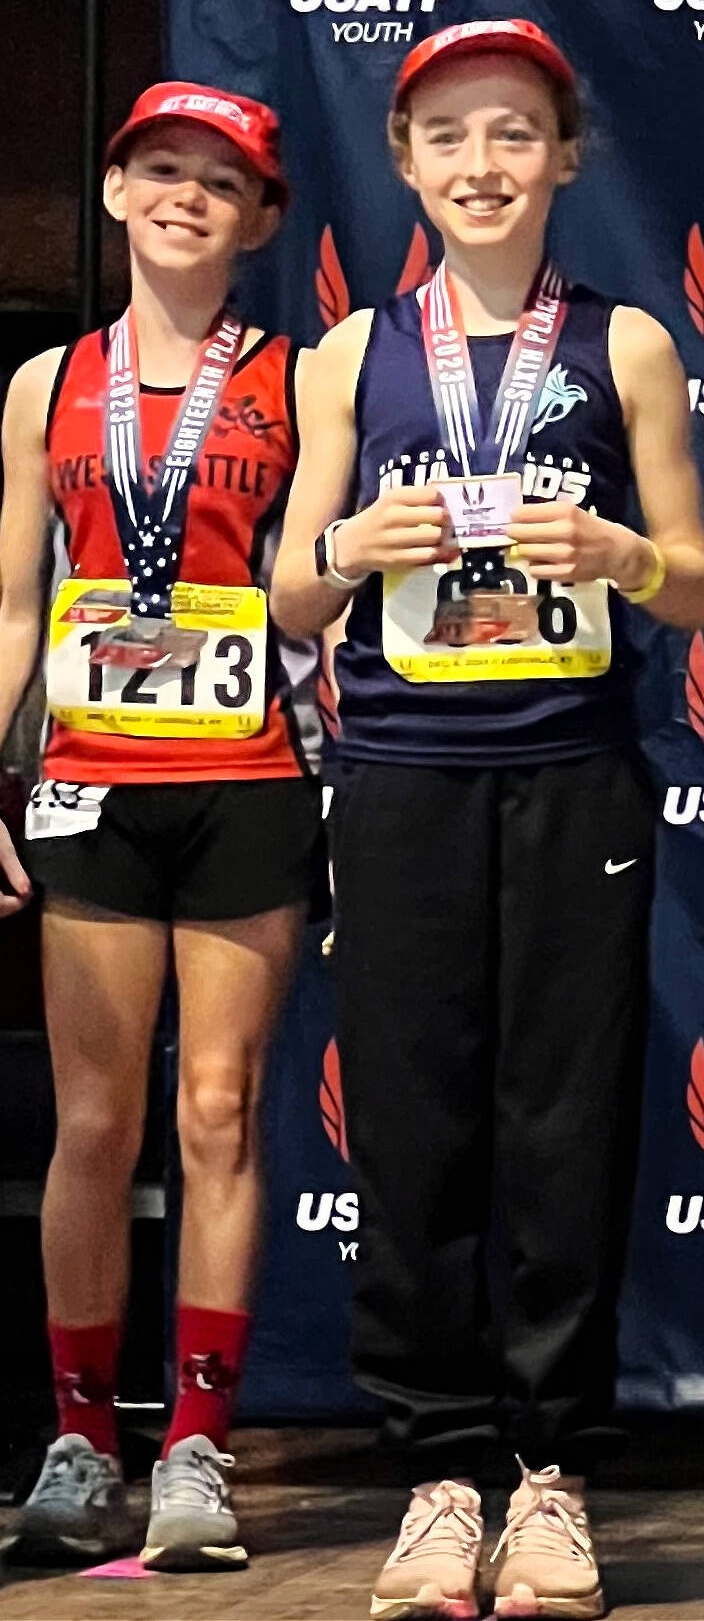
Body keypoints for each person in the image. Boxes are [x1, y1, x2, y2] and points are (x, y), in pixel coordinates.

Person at [272, 17, 704, 1619]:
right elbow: (286, 589)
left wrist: (616, 561)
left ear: (564, 156)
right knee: (410, 1125)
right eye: (447, 136)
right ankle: (440, 1474)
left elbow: (701, 580)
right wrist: (346, 543)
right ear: (402, 162)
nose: (480, 164)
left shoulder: (630, 347)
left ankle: (548, 1478)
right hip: (397, 781)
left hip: (571, 771)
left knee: (563, 1119)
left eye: (512, 134)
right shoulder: (345, 353)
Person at [0, 82, 322, 1570]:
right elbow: (13, 602)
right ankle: (81, 1436)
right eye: (160, 169)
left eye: (220, 179)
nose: (187, 195)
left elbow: (315, 595)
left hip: (248, 777)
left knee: (219, 1114)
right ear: (119, 193)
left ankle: (195, 1442)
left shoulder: (302, 380)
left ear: (259, 219)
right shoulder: (44, 382)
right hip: (90, 781)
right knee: (92, 1118)